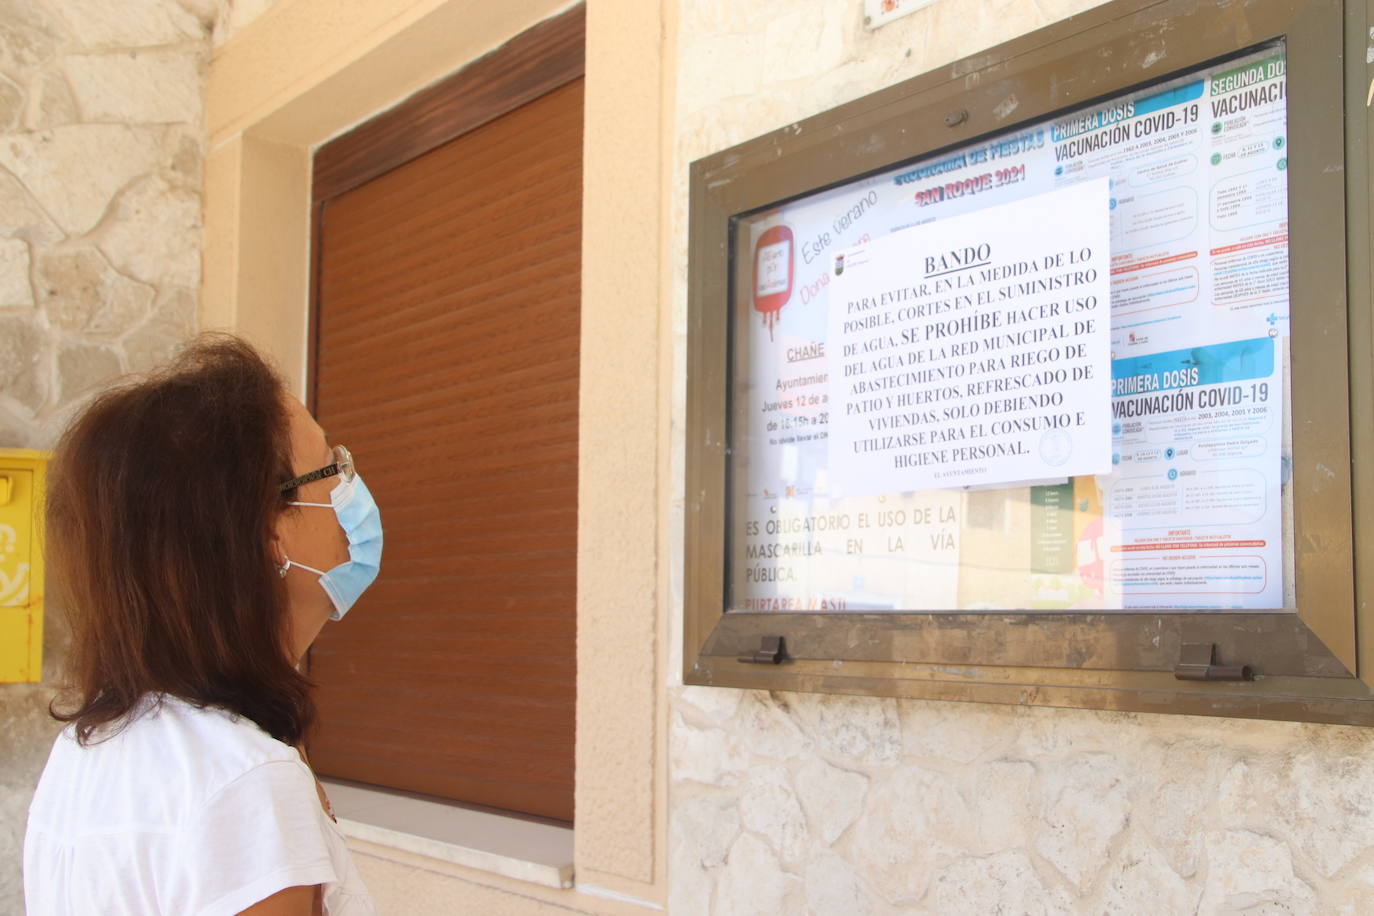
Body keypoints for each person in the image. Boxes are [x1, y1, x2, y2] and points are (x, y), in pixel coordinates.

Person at [23, 335, 382, 915]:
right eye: (333, 466)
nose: (351, 490)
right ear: (270, 533)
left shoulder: (88, 750)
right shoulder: (245, 784)